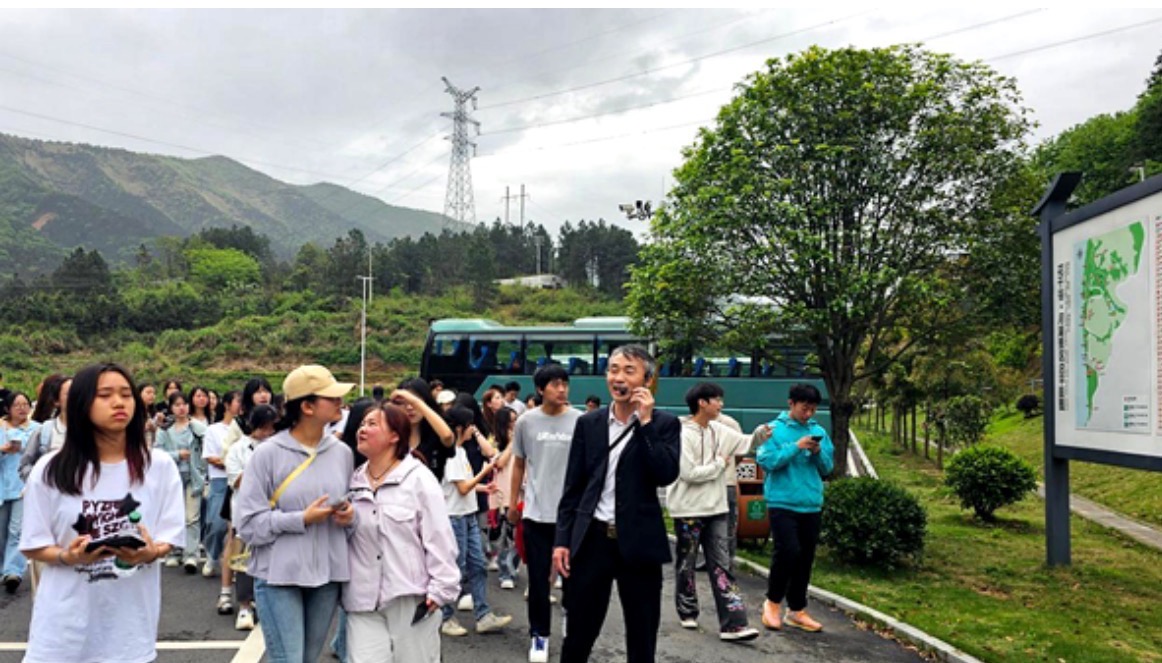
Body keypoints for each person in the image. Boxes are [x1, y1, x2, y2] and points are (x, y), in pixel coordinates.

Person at [20, 362, 184, 663]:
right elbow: (33, 544)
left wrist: (150, 553)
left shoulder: (159, 466)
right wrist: (69, 556)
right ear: (81, 404)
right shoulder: (50, 469)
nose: (119, 403)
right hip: (62, 632)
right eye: (105, 395)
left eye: (126, 394)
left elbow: (168, 537)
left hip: (130, 634)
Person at [552, 345, 679, 663]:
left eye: (628, 371)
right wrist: (562, 540)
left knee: (642, 634)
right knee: (579, 633)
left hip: (639, 542)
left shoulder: (664, 424)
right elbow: (573, 487)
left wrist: (645, 423)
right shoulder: (589, 423)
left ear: (647, 380)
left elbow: (665, 473)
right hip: (593, 539)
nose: (618, 377)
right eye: (613, 369)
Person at [235, 365, 356, 663]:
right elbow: (247, 525)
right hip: (279, 576)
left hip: (327, 575)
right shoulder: (267, 454)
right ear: (307, 407)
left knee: (308, 659)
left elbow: (351, 510)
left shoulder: (342, 453)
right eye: (331, 397)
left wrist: (350, 516)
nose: (340, 402)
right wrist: (301, 519)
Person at [343, 401, 460, 663]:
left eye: (372, 424)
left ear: (395, 435)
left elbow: (439, 536)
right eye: (361, 424)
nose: (362, 429)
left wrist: (441, 589)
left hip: (411, 599)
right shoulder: (353, 482)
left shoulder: (418, 479)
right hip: (363, 600)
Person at [669, 382, 768, 642]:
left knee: (722, 564)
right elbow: (688, 473)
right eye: (717, 400)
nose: (721, 404)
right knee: (687, 563)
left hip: (717, 508)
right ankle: (687, 611)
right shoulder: (681, 433)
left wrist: (759, 435)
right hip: (688, 509)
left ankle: (734, 624)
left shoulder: (719, 429)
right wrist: (718, 465)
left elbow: (744, 443)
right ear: (702, 403)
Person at [508, 365, 581, 663]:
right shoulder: (526, 421)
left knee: (575, 579)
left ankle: (571, 625)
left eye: (565, 383)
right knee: (538, 581)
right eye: (554, 384)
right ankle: (539, 635)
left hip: (572, 516)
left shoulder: (580, 420)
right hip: (537, 514)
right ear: (540, 389)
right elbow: (519, 464)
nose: (561, 389)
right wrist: (512, 503)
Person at [756, 383, 834, 633]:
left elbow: (828, 468)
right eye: (804, 408)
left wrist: (818, 451)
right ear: (791, 403)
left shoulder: (818, 431)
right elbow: (767, 461)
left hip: (811, 502)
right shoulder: (773, 430)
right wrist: (795, 447)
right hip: (782, 501)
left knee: (805, 557)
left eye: (813, 409)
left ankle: (797, 609)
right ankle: (772, 603)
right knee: (787, 551)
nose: (808, 414)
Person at [439, 406, 512, 637]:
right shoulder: (451, 454)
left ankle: (483, 615)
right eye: (470, 425)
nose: (473, 429)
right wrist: (486, 471)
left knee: (478, 564)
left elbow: (463, 485)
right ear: (460, 427)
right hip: (455, 517)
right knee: (457, 568)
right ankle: (446, 617)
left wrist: (483, 487)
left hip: (467, 514)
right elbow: (462, 488)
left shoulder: (460, 452)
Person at [225, 404, 279, 631]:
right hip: (246, 512)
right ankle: (245, 606)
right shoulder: (238, 449)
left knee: (273, 560)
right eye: (263, 427)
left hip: (275, 511)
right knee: (244, 561)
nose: (267, 433)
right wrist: (259, 467)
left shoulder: (280, 448)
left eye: (271, 428)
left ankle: (268, 605)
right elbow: (236, 480)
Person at [156, 391, 207, 572]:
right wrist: (177, 455)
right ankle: (173, 552)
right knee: (173, 516)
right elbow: (157, 453)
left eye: (184, 404)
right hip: (172, 478)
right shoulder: (165, 430)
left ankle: (191, 555)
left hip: (193, 477)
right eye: (177, 405)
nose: (181, 408)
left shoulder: (196, 427)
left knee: (191, 517)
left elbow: (207, 444)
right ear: (171, 408)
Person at [206, 390, 242, 613]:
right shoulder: (216, 429)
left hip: (238, 480)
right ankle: (213, 556)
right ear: (227, 404)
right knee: (217, 526)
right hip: (223, 481)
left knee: (236, 536)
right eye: (237, 401)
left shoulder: (255, 425)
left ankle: (240, 585)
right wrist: (232, 465)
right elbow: (216, 457)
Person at [1, 391, 39, 593]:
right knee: (2, 532)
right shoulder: (0, 427)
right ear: (7, 408)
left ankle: (12, 572)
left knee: (16, 531)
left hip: (23, 486)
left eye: (25, 404)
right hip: (2, 486)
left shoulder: (37, 429)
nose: (22, 408)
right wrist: (3, 450)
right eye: (17, 405)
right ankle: (4, 568)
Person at [393, 378, 454, 480]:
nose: (409, 407)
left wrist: (416, 401)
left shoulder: (435, 434)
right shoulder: (391, 437)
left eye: (416, 402)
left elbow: (447, 436)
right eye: (403, 402)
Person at [488, 406, 518, 590]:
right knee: (504, 536)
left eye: (516, 420)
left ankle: (511, 568)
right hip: (501, 494)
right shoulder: (494, 442)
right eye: (511, 421)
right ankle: (505, 573)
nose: (514, 425)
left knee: (517, 537)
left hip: (519, 493)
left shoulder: (522, 440)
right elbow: (498, 463)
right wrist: (511, 444)